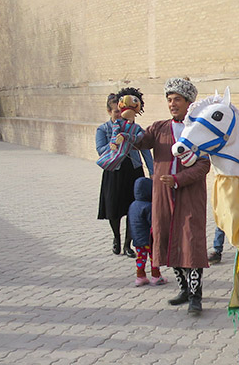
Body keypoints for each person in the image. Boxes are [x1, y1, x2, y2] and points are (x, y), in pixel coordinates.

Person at [134, 77, 210, 315]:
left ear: (189, 103)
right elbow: (140, 142)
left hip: (190, 194)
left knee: (191, 242)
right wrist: (126, 123)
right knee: (167, 239)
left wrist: (179, 180)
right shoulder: (158, 128)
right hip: (163, 195)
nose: (172, 103)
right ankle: (184, 289)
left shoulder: (200, 130)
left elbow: (203, 165)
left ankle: (196, 296)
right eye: (169, 99)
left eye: (177, 99)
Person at [96, 91, 153, 258]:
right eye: (115, 112)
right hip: (114, 171)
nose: (119, 115)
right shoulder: (103, 129)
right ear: (109, 112)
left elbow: (146, 152)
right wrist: (113, 143)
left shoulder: (136, 130)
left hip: (134, 171)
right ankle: (116, 237)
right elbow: (101, 150)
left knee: (132, 208)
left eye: (121, 112)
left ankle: (128, 244)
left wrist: (152, 173)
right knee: (113, 208)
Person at [128, 177, 166, 286]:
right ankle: (156, 276)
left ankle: (140, 277)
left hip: (137, 238)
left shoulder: (133, 205)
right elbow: (153, 222)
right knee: (154, 257)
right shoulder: (148, 206)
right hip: (149, 239)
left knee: (140, 257)